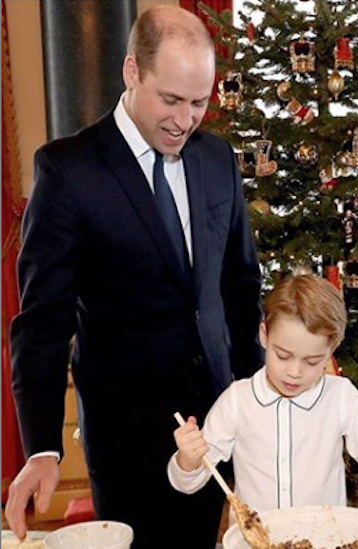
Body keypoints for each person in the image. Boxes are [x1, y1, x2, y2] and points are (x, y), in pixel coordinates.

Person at [7, 6, 263, 549]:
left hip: (218, 421)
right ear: (131, 72)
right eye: (170, 99)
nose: (184, 119)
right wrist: (42, 447)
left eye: (198, 103)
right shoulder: (68, 171)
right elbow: (42, 323)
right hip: (128, 439)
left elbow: (240, 289)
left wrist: (257, 401)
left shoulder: (217, 159)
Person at [169, 275, 358, 545]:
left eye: (311, 361)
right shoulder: (237, 401)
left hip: (324, 540)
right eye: (282, 356)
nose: (294, 373)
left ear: (331, 348)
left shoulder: (340, 397)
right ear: (264, 334)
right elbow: (189, 482)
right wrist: (188, 461)